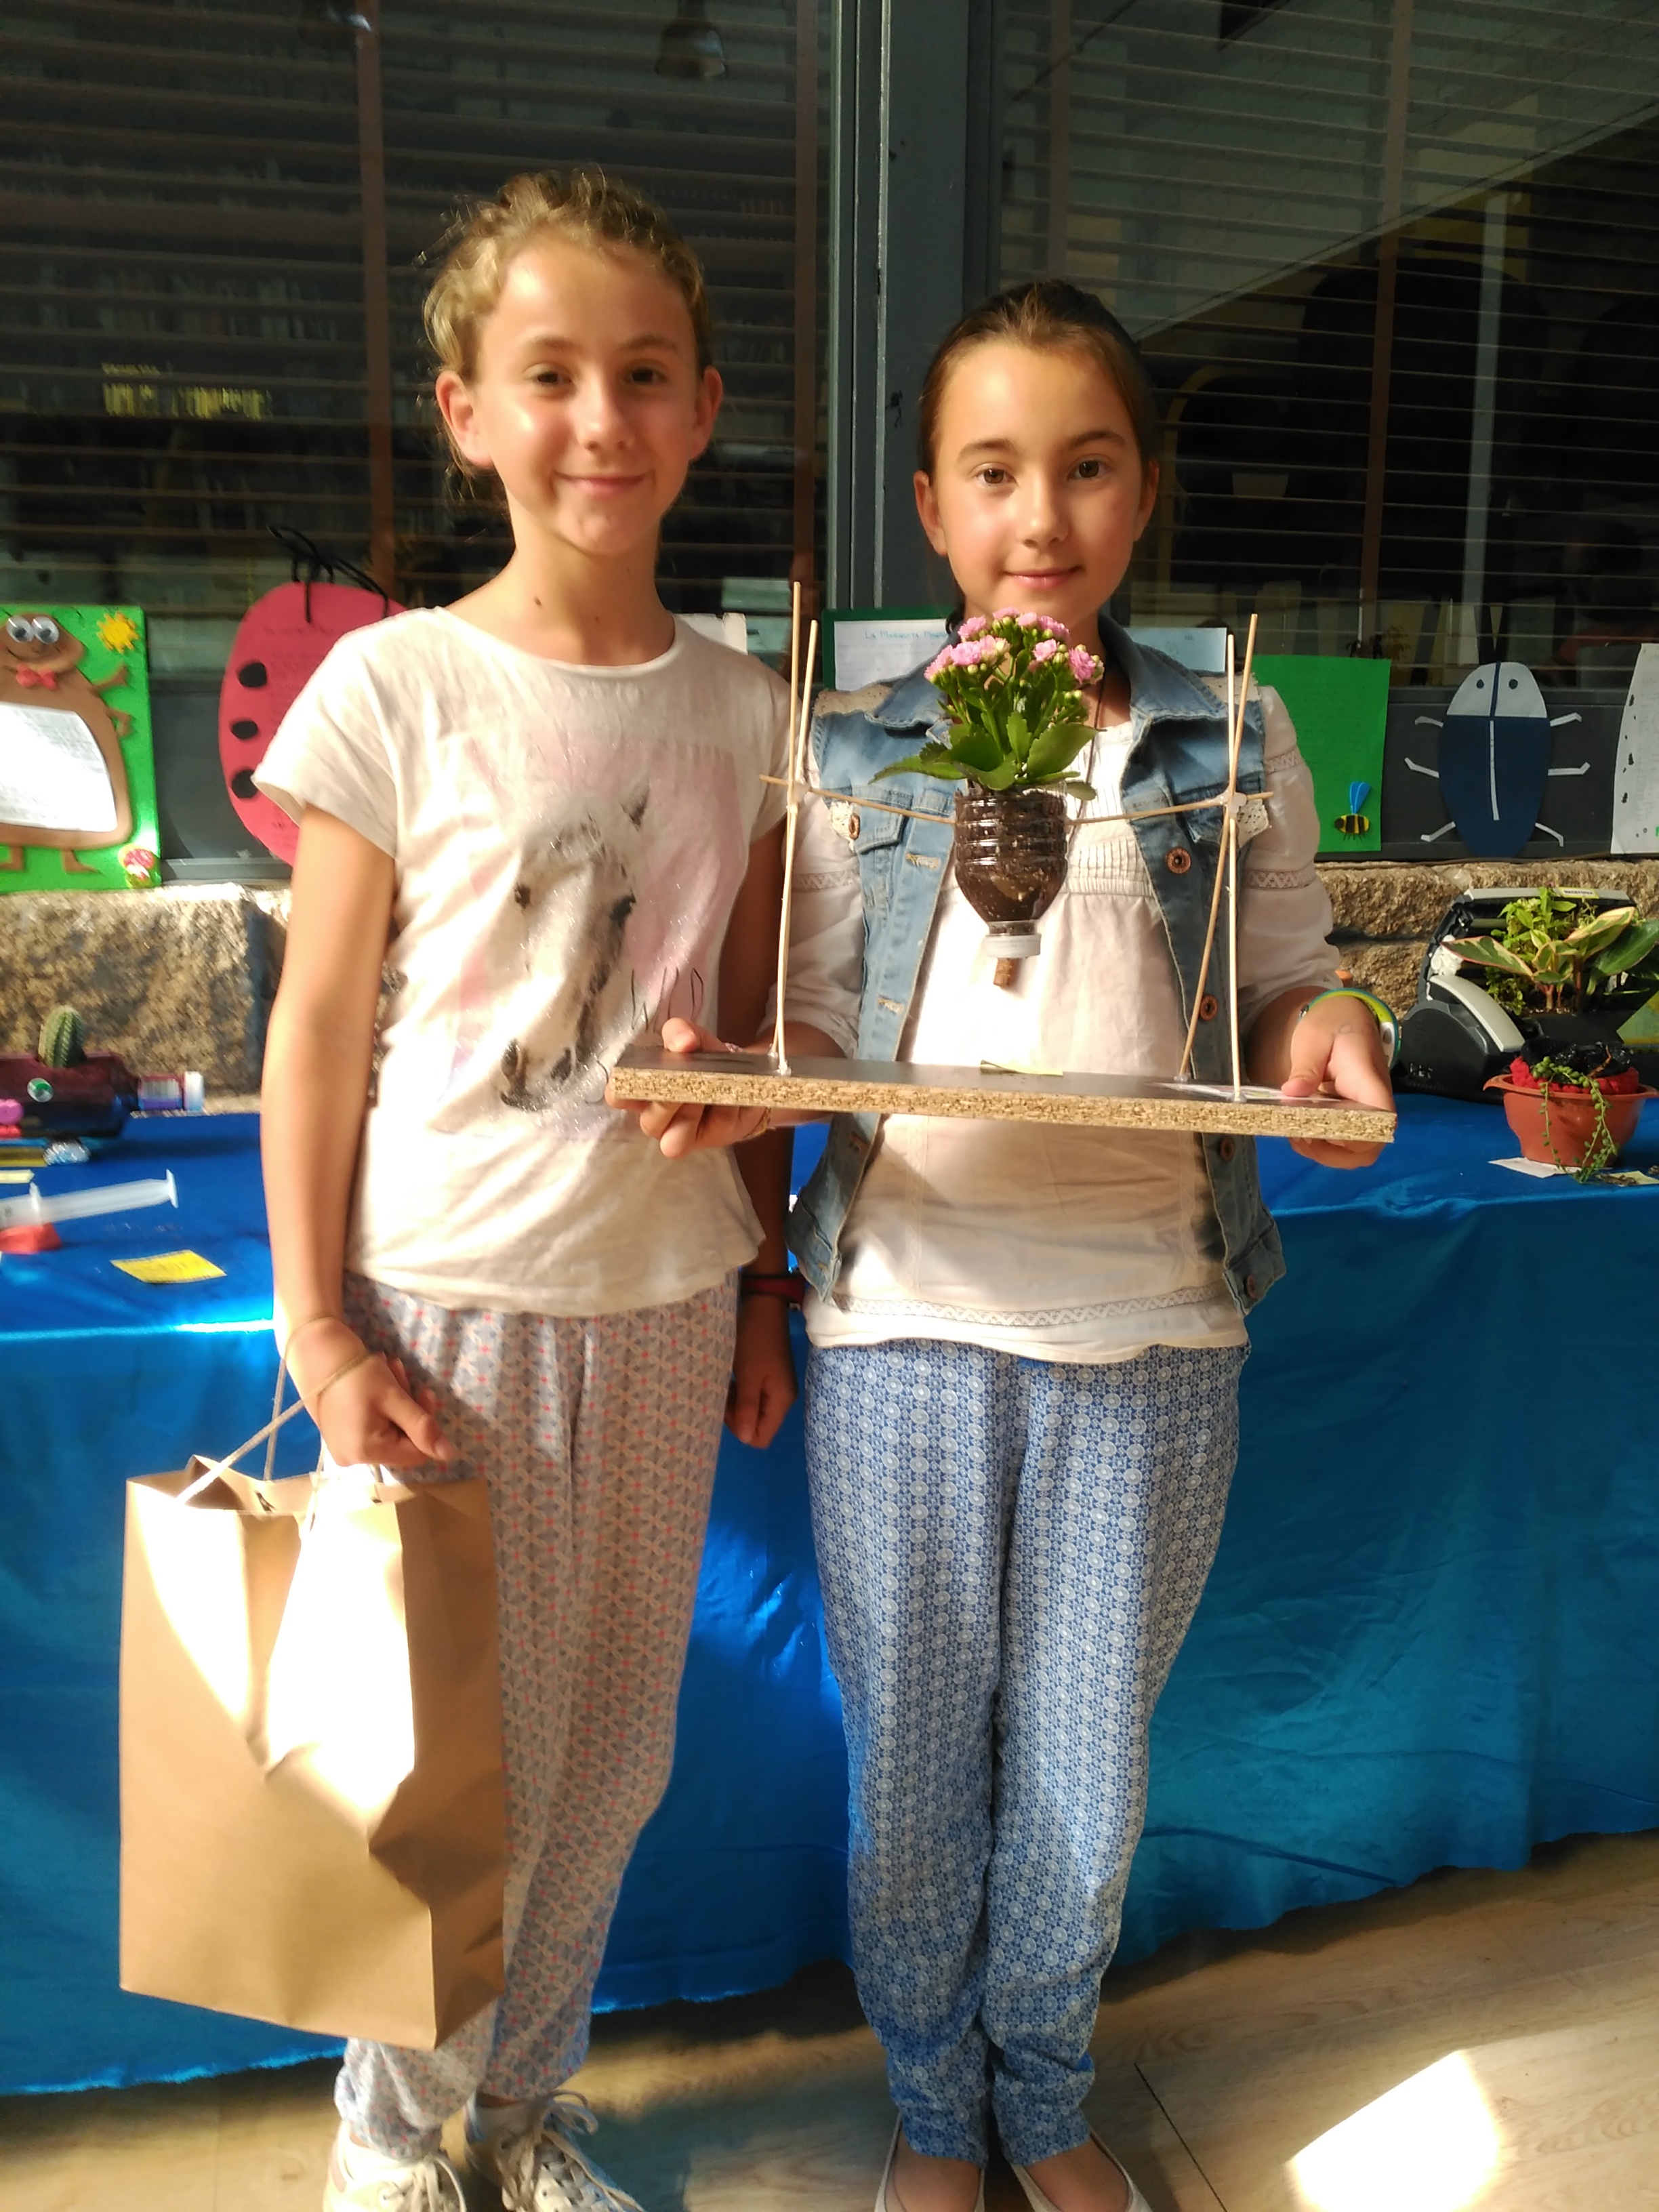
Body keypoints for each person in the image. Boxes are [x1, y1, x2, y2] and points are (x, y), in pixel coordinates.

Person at [628, 281, 1395, 2212]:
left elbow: (1284, 987)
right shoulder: (858, 748)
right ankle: (929, 2107)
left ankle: (1041, 2098)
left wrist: (1332, 1040)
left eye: (1086, 466)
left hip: (1156, 1325)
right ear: (931, 505)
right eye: (993, 473)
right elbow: (813, 1025)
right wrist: (736, 1094)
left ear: (1144, 491)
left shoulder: (1227, 729)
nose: (1040, 516)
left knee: (1083, 1771)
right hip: (902, 1322)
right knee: (912, 1764)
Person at [257, 168, 799, 2212]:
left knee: (612, 1762)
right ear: (466, 409)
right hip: (445, 1320)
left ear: (705, 408)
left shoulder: (748, 713)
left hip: (661, 1307)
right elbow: (319, 1026)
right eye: (551, 373)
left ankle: (516, 2111)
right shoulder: (395, 687)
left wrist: (764, 1284)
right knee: (445, 1773)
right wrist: (320, 1327)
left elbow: (764, 1033)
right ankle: (393, 2138)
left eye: (645, 374)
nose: (602, 419)